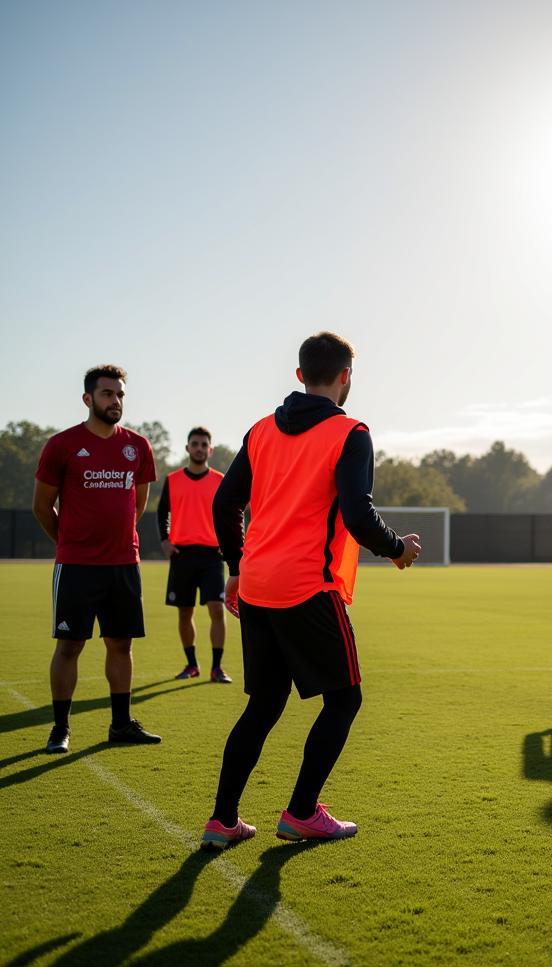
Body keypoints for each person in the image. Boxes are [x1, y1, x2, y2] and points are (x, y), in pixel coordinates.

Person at [200, 331, 422, 851]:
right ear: (346, 376)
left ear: (300, 375)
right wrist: (397, 550)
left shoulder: (260, 431)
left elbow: (223, 504)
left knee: (263, 705)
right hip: (307, 587)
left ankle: (223, 821)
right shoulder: (351, 432)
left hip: (256, 586)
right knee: (345, 701)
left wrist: (235, 566)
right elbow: (357, 513)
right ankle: (301, 813)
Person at [33, 365, 162, 754]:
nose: (115, 401)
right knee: (70, 646)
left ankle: (121, 725)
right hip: (76, 566)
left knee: (121, 645)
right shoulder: (62, 445)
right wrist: (70, 543)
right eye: (107, 394)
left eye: (120, 394)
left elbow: (137, 505)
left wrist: (118, 540)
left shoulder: (137, 446)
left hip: (123, 564)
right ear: (88, 399)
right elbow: (42, 507)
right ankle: (60, 728)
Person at [157, 426, 232, 682]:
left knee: (217, 609)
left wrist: (231, 544)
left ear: (210, 450)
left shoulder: (220, 480)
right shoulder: (173, 479)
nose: (199, 448)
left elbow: (231, 514)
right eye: (195, 444)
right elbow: (161, 512)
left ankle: (217, 667)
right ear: (188, 448)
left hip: (212, 556)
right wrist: (165, 540)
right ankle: (191, 665)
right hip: (182, 556)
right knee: (184, 612)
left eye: (203, 445)